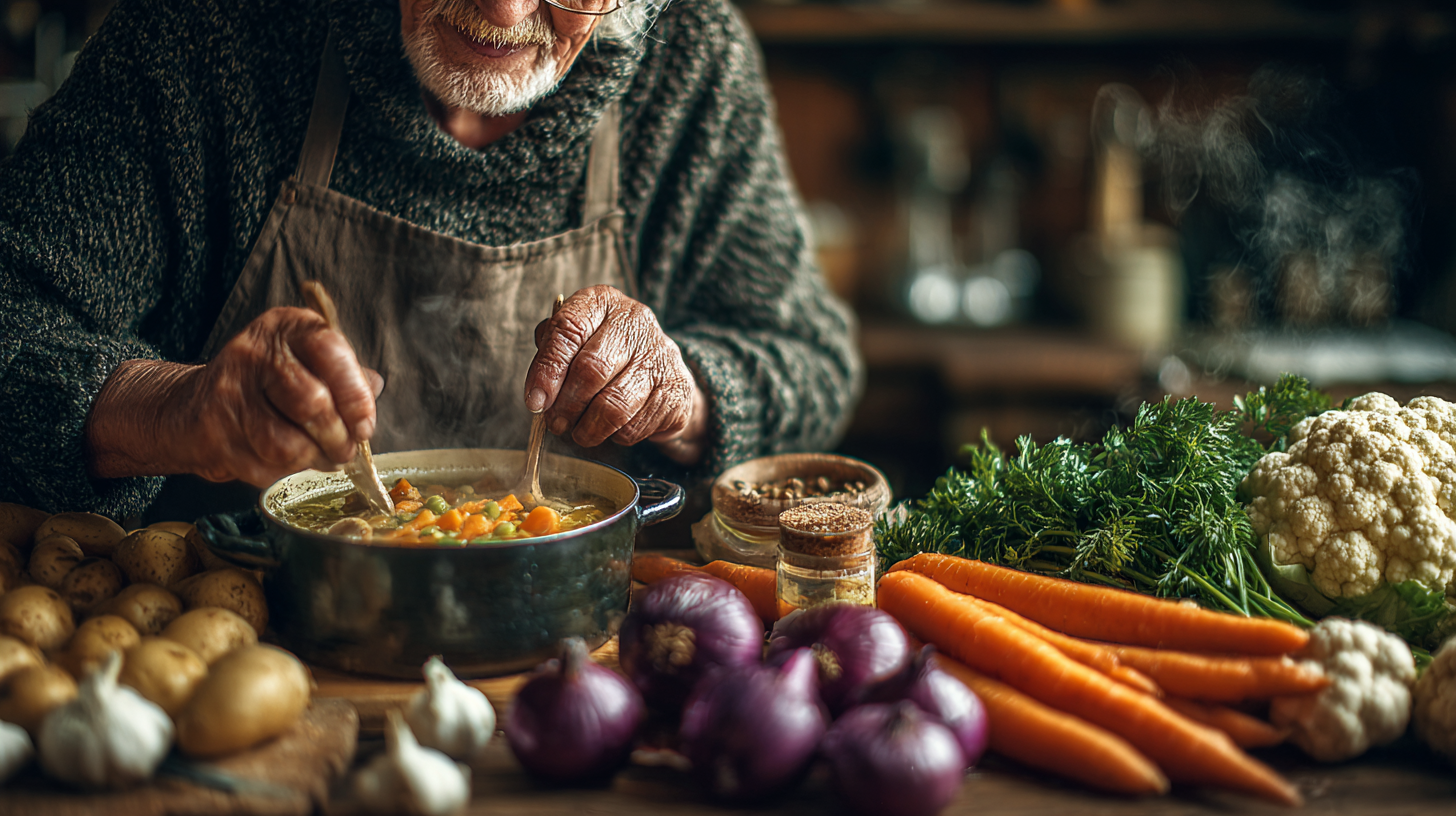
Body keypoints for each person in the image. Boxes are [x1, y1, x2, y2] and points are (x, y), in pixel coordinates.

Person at [0, 0, 862, 517]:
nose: (502, 9)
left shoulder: (692, 62)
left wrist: (684, 392)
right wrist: (174, 406)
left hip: (583, 665)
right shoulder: (207, 31)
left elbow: (812, 364)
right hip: (233, 641)